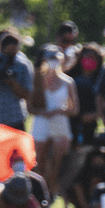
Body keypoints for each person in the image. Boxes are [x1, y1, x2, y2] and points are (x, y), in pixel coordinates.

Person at [29, 45, 79, 199]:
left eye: (56, 58)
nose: (53, 62)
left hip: (60, 123)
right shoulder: (36, 80)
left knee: (58, 163)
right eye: (50, 58)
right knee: (39, 161)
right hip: (41, 122)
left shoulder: (68, 82)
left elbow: (75, 109)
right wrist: (44, 112)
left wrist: (59, 111)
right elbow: (30, 107)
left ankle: (53, 193)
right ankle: (39, 193)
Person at [67, 44, 104, 146]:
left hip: (90, 123)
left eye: (93, 58)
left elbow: (104, 100)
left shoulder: (101, 79)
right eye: (87, 57)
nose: (90, 60)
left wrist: (95, 114)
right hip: (71, 121)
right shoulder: (70, 77)